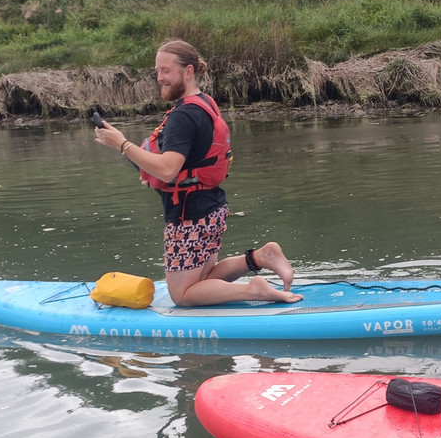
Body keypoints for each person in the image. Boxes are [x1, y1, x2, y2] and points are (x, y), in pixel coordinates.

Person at [94, 39, 303, 307]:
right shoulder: (204, 103)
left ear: (188, 71)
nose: (160, 78)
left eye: (166, 71)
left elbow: (169, 170)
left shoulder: (183, 116)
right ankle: (260, 257)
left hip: (190, 216)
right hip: (211, 207)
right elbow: (182, 164)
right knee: (203, 279)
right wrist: (148, 169)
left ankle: (254, 289)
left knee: (182, 295)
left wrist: (122, 144)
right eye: (157, 71)